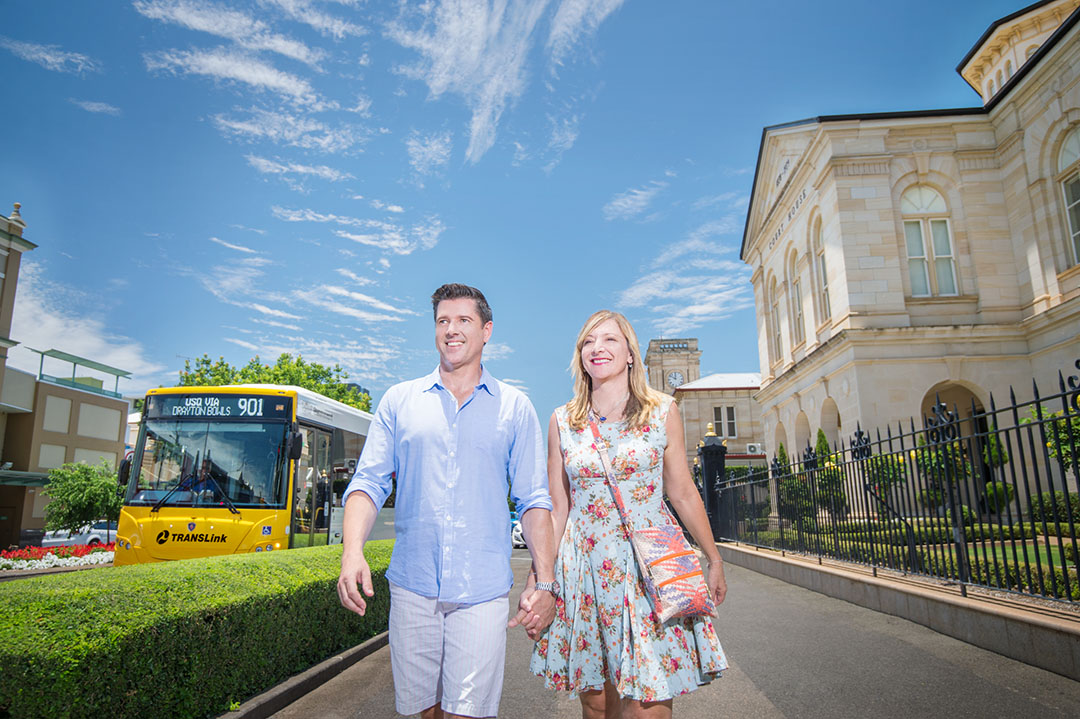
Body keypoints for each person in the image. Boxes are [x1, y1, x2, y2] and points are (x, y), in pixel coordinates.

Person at [338, 283, 558, 719]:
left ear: (486, 330)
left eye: (463, 321)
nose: (451, 330)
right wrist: (351, 552)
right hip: (412, 586)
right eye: (443, 321)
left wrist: (546, 583)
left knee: (465, 714)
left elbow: (534, 499)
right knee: (426, 711)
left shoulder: (515, 408)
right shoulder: (399, 402)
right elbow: (368, 482)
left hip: (481, 589)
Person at [531, 310, 728, 719]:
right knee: (598, 701)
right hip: (584, 569)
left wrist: (714, 558)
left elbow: (683, 492)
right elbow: (557, 508)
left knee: (648, 701)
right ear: (580, 355)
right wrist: (541, 578)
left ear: (630, 354)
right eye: (588, 342)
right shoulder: (562, 421)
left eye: (609, 340)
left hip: (648, 568)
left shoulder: (662, 411)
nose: (598, 348)